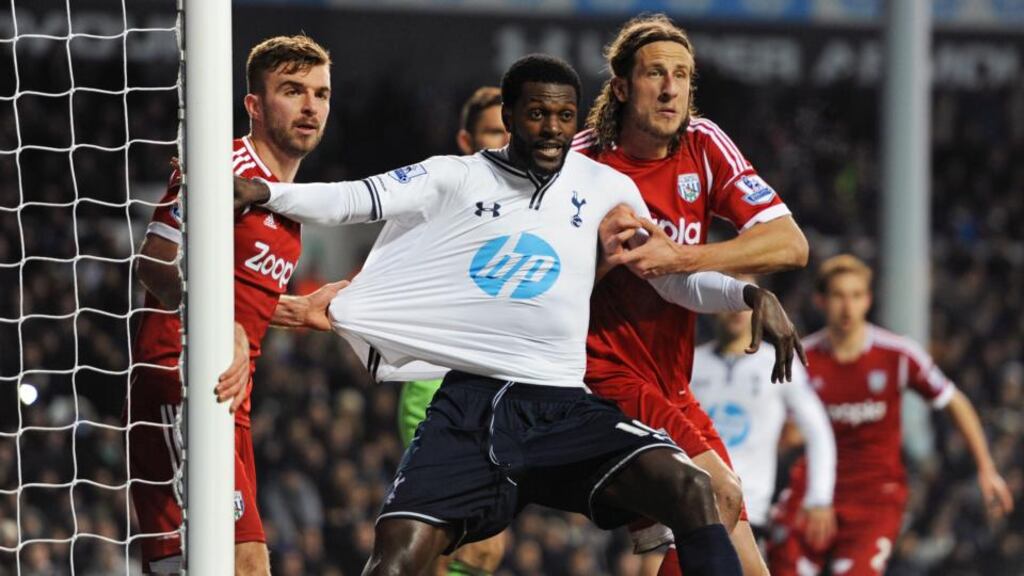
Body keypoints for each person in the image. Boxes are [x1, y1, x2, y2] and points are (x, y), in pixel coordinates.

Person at [232, 54, 806, 576]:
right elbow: (354, 197)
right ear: (508, 115)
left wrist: (747, 296)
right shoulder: (456, 176)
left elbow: (668, 274)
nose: (552, 129)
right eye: (536, 113)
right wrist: (264, 194)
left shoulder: (606, 186)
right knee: (397, 557)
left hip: (561, 403)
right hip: (470, 405)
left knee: (692, 488)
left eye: (564, 115)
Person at [572, 13, 809, 575]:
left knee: (749, 565)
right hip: (602, 374)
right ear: (623, 86)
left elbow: (789, 244)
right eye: (656, 73)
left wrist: (725, 282)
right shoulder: (582, 163)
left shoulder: (702, 144)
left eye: (682, 74)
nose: (672, 88)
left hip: (671, 380)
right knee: (715, 494)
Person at [129, 35, 345, 575]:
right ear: (253, 104)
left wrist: (290, 310)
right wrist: (215, 324)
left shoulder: (285, 200)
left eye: (320, 93)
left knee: (196, 565)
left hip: (229, 399)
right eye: (292, 91)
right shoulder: (224, 166)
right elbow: (156, 262)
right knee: (242, 562)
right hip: (178, 380)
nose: (310, 106)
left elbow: (234, 287)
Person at [768, 254, 1015, 575]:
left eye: (856, 296)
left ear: (868, 300)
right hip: (814, 489)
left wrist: (987, 468)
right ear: (820, 301)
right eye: (839, 296)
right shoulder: (801, 359)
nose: (847, 306)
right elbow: (777, 427)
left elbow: (955, 401)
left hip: (874, 495)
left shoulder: (897, 354)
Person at [396, 85, 509, 576]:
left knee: (486, 548)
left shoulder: (538, 207)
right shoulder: (440, 200)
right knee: (442, 539)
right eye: (492, 133)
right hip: (436, 384)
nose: (505, 142)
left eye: (510, 131)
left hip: (502, 390)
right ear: (466, 139)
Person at [690, 277, 836, 549]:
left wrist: (819, 497)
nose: (736, 309)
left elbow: (818, 429)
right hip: (689, 505)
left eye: (745, 301)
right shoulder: (691, 364)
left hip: (749, 509)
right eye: (726, 299)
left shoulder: (776, 361)